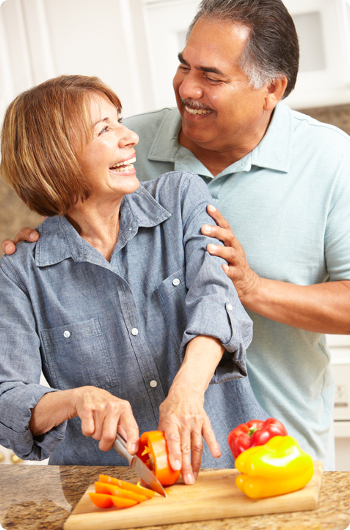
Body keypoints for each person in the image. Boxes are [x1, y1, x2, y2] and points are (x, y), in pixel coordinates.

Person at [3, 0, 350, 470]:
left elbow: (215, 299)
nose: (187, 86)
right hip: (120, 475)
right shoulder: (135, 148)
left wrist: (249, 288)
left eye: (211, 75)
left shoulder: (329, 159)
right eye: (183, 65)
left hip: (270, 437)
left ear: (271, 88)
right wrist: (30, 248)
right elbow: (60, 181)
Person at [0, 75, 268, 482]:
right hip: (108, 491)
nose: (130, 137)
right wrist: (76, 400)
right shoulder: (20, 271)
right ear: (56, 156)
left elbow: (216, 296)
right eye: (105, 129)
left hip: (234, 469)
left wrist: (187, 391)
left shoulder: (180, 197)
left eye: (120, 121)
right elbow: (7, 398)